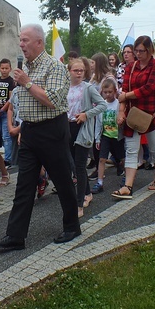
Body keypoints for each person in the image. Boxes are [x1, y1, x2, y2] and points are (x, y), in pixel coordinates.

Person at [0, 24, 81, 251]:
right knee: (24, 185)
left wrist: (27, 83)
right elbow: (20, 103)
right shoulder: (25, 68)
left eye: (25, 40)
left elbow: (52, 100)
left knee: (62, 181)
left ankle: (72, 226)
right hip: (29, 132)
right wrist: (21, 129)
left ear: (39, 42)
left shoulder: (55, 67)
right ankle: (15, 236)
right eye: (20, 40)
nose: (21, 45)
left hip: (52, 131)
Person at [113, 36, 155, 200]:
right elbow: (124, 90)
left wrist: (126, 96)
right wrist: (122, 111)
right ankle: (127, 186)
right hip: (132, 113)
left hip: (149, 114)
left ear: (150, 50)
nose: (138, 54)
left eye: (141, 51)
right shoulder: (131, 66)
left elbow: (149, 88)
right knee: (131, 150)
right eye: (136, 51)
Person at [67, 58, 107, 217]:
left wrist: (86, 114)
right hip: (68, 128)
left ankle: (79, 204)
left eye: (81, 71)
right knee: (72, 165)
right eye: (75, 70)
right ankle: (88, 193)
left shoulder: (88, 88)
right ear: (69, 71)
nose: (78, 73)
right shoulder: (65, 87)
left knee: (79, 165)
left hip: (82, 128)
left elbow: (102, 105)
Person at [92, 78, 126, 193]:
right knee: (102, 159)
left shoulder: (118, 104)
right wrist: (97, 138)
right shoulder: (102, 105)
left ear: (115, 91)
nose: (108, 94)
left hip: (117, 136)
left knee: (122, 158)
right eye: (105, 92)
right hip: (106, 135)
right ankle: (100, 182)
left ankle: (126, 175)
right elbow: (98, 122)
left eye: (110, 92)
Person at [0, 58, 16, 167]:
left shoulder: (11, 82)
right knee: (0, 135)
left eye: (6, 68)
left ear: (10, 69)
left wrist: (2, 109)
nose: (4, 70)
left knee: (6, 136)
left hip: (6, 112)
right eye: (2, 68)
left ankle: (8, 159)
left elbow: (10, 99)